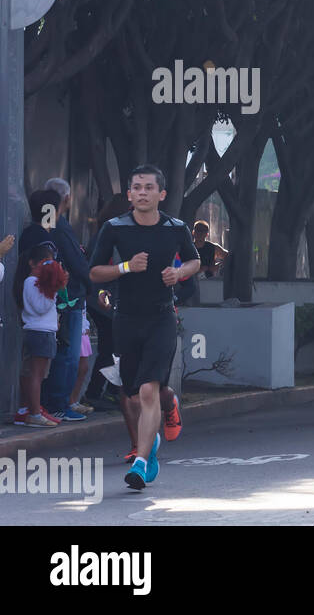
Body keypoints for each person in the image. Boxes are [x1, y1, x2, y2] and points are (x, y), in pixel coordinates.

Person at [89, 165, 200, 489]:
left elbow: (193, 261)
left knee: (148, 389)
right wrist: (125, 267)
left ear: (161, 194)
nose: (141, 192)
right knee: (134, 395)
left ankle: (142, 460)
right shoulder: (114, 228)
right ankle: (170, 405)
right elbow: (94, 272)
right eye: (136, 187)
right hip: (125, 319)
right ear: (129, 194)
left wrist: (179, 274)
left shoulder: (175, 227)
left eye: (148, 187)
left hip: (162, 317)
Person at [17, 184, 92, 423]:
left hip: (46, 319)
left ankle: (35, 408)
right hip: (44, 319)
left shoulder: (44, 232)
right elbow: (40, 297)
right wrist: (60, 287)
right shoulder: (45, 235)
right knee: (45, 367)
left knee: (42, 367)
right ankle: (38, 409)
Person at [14, 245, 66, 427]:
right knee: (36, 374)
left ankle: (27, 409)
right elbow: (40, 307)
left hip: (42, 331)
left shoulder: (37, 282)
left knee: (32, 373)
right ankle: (34, 413)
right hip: (39, 332)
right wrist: (53, 288)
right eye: (44, 263)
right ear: (32, 263)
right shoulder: (31, 281)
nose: (48, 267)